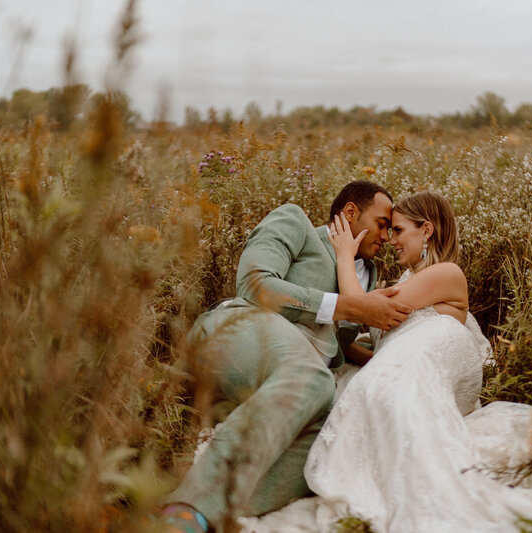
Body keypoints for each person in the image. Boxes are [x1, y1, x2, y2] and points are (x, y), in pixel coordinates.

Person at [160, 181, 413, 532]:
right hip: (240, 330)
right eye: (382, 223)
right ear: (351, 212)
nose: (387, 235)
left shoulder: (367, 277)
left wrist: (387, 356)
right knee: (313, 377)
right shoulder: (297, 225)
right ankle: (185, 510)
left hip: (288, 380)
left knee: (334, 443)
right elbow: (255, 284)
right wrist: (349, 306)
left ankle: (202, 515)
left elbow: (334, 344)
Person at [304, 191, 530, 532]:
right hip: (403, 363)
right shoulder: (405, 285)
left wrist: (345, 256)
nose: (390, 239)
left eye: (398, 230)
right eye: (389, 230)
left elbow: (363, 307)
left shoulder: (447, 273)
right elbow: (382, 342)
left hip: (427, 365)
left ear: (426, 231)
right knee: (371, 391)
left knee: (385, 392)